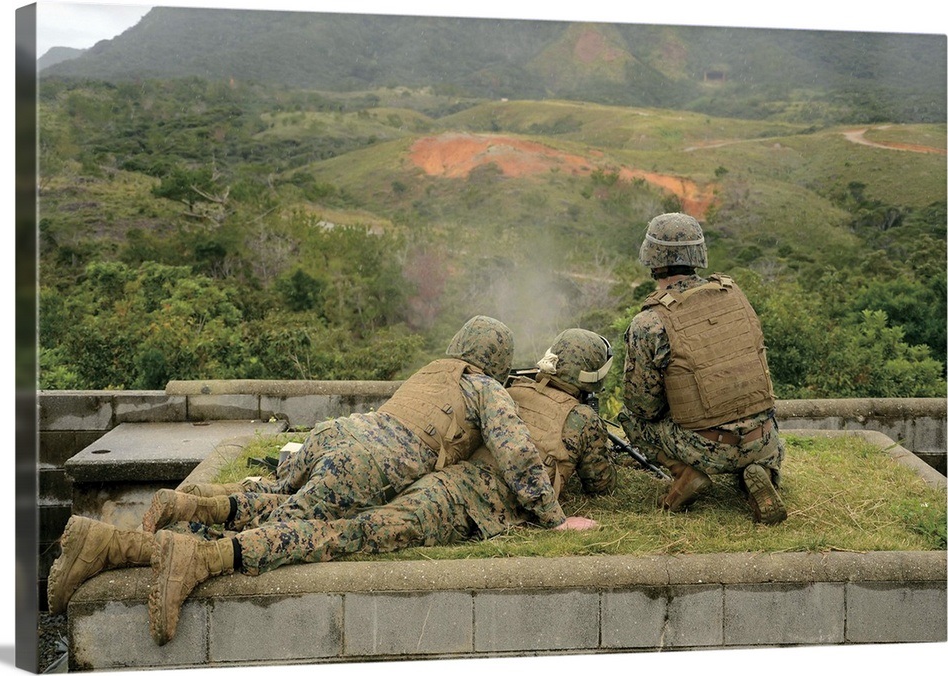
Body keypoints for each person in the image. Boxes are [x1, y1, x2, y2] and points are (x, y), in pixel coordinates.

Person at [48, 315, 566, 616]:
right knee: (288, 534)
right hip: (367, 462)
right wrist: (551, 516)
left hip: (337, 435)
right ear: (498, 360)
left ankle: (121, 539)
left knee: (283, 502)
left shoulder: (431, 371)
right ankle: (174, 551)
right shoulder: (484, 386)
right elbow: (518, 454)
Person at [145, 328, 617, 645]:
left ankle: (189, 512)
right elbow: (577, 474)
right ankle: (205, 554)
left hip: (361, 444)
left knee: (289, 495)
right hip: (431, 490)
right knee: (340, 532)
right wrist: (554, 519)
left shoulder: (455, 375)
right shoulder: (508, 395)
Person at [616, 212, 786, 524]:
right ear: (699, 254)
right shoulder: (734, 294)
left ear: (652, 257)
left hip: (705, 447)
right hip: (763, 437)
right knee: (753, 428)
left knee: (630, 417)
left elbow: (643, 406)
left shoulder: (649, 321)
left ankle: (685, 474)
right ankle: (760, 471)